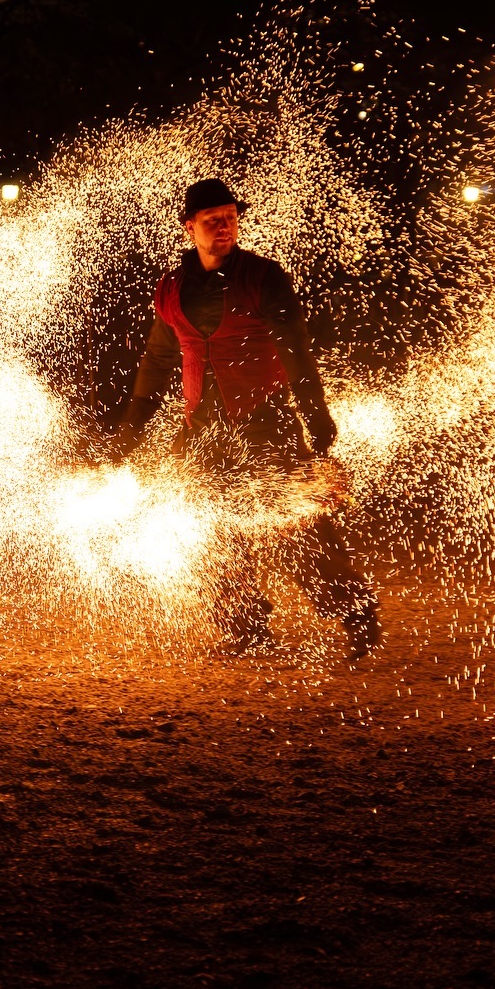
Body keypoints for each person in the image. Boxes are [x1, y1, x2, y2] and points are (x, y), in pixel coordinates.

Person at [113, 177, 380, 658]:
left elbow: (294, 346)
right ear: (189, 228)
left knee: (296, 526)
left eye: (231, 218)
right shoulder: (170, 290)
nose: (224, 228)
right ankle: (243, 626)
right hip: (201, 431)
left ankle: (356, 612)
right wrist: (133, 425)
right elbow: (156, 360)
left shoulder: (263, 276)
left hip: (266, 421)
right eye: (213, 221)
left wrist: (315, 413)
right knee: (209, 527)